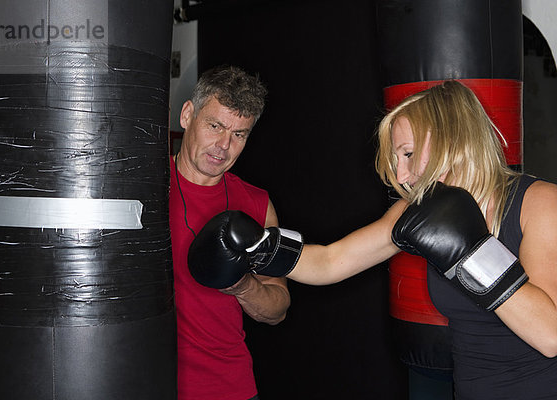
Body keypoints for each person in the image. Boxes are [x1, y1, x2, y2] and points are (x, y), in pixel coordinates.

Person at [188, 80, 557, 399]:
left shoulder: (538, 204)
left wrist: (471, 251)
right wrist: (260, 246)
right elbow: (330, 261)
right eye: (397, 158)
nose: (401, 173)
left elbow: (550, 336)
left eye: (408, 154)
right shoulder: (417, 210)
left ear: (452, 139)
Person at [0, 65, 291, 400]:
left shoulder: (257, 204)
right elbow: (65, 253)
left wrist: (241, 284)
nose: (223, 145)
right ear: (188, 114)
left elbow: (278, 309)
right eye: (215, 125)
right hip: (132, 378)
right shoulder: (132, 184)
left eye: (239, 134)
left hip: (227, 386)